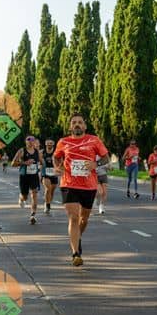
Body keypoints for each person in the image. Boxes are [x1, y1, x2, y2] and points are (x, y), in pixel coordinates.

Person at [53, 113, 109, 266]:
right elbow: (56, 157)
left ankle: (77, 238)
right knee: (73, 217)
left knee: (84, 219)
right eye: (74, 122)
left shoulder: (94, 140)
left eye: (80, 122)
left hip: (89, 185)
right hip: (69, 183)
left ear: (85, 126)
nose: (77, 124)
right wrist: (57, 167)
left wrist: (95, 164)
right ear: (70, 126)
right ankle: (75, 253)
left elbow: (105, 157)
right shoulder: (63, 142)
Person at [12, 136, 43, 224]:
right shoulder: (22, 151)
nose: (30, 141)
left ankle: (33, 215)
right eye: (28, 140)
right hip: (24, 176)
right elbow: (13, 163)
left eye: (32, 140)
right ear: (25, 141)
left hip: (34, 176)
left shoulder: (37, 152)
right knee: (25, 196)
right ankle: (21, 198)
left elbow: (41, 162)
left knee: (34, 194)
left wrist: (40, 170)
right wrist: (25, 163)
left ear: (34, 142)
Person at [42, 139, 58, 215]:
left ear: (53, 144)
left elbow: (61, 160)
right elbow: (38, 161)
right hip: (45, 173)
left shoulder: (56, 152)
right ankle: (47, 205)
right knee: (48, 189)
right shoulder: (42, 152)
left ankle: (47, 202)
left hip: (54, 173)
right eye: (48, 143)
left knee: (52, 191)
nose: (49, 144)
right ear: (45, 144)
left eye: (51, 143)